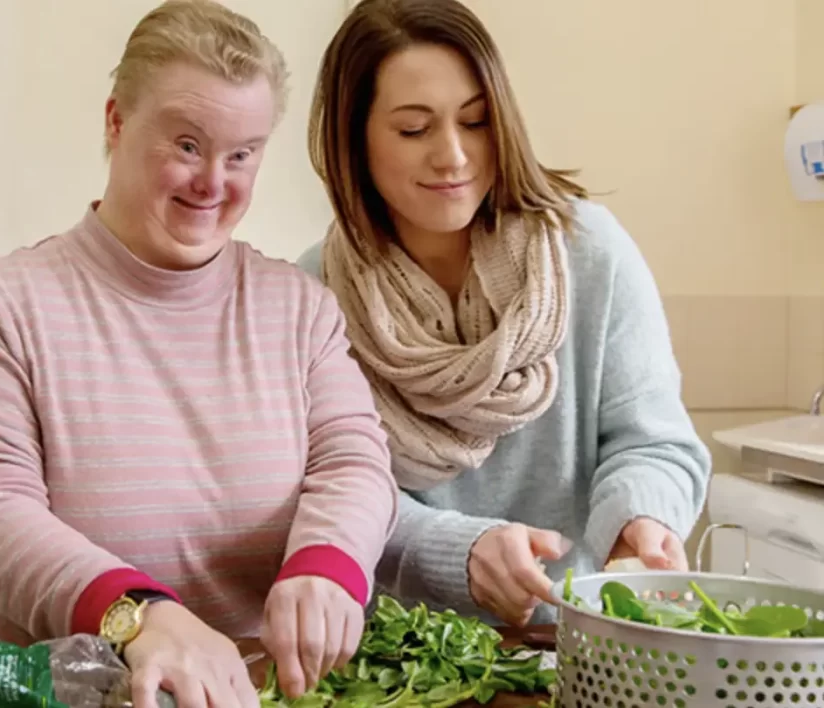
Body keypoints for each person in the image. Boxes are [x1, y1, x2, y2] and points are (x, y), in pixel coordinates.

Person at [0, 1, 398, 706]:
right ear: (116, 122)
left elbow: (355, 460)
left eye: (242, 154)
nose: (213, 182)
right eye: (186, 144)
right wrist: (136, 614)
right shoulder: (3, 303)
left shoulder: (297, 308)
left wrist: (327, 567)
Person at [297, 0, 712, 630]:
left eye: (476, 121)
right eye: (414, 129)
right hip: (397, 661)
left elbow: (654, 440)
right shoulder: (314, 297)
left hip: (580, 646)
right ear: (353, 138)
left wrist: (639, 521)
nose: (455, 157)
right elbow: (332, 491)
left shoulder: (590, 254)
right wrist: (456, 551)